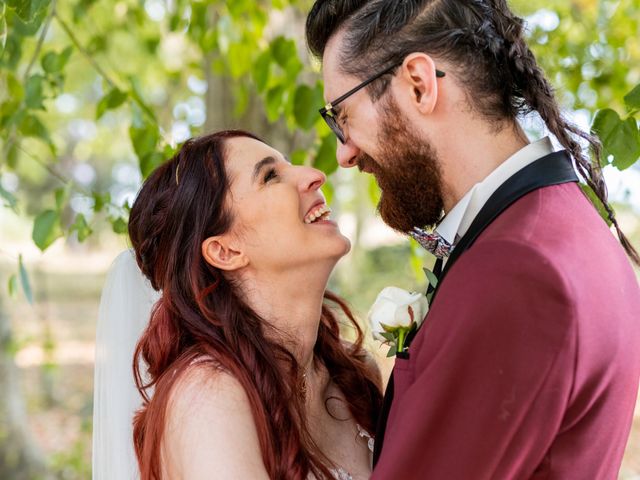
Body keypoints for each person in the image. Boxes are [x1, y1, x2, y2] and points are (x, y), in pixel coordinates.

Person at [305, 0, 640, 478]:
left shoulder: (516, 269)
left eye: (343, 116)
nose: (344, 153)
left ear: (419, 84)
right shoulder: (567, 226)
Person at [93, 130, 383, 480]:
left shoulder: (353, 375)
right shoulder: (206, 399)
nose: (315, 175)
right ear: (225, 251)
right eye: (270, 176)